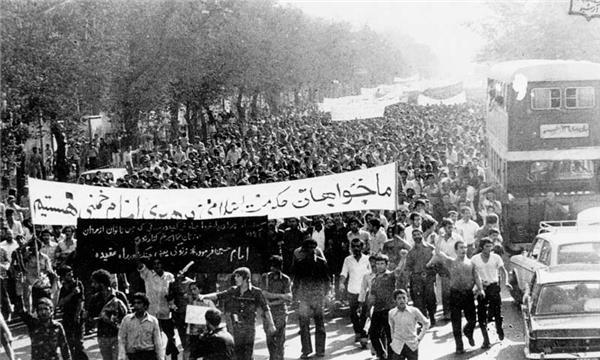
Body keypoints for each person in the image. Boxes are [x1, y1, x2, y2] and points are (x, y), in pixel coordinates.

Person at [199, 267, 276, 360]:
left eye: (238, 276)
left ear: (246, 278)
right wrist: (203, 296)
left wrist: (271, 324)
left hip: (249, 329)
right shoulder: (233, 290)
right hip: (236, 329)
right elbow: (219, 295)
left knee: (248, 355)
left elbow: (266, 309)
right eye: (235, 276)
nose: (235, 278)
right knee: (237, 354)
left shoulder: (256, 292)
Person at [427, 241, 486, 354]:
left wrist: (481, 289)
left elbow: (477, 277)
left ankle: (468, 331)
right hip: (455, 294)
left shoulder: (471, 263)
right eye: (460, 248)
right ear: (456, 250)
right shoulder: (450, 262)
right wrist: (440, 237)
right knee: (456, 321)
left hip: (468, 294)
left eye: (464, 247)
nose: (463, 250)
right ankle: (459, 346)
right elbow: (438, 252)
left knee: (472, 319)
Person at [291, 238, 330, 359]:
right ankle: (306, 350)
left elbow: (327, 280)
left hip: (317, 297)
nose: (310, 251)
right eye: (308, 249)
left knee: (319, 324)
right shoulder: (300, 263)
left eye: (312, 248)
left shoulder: (322, 262)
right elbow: (296, 281)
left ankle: (320, 350)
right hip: (305, 297)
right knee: (304, 325)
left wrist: (326, 295)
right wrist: (295, 297)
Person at [471, 238, 512, 346]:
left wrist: (506, 282)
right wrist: (477, 285)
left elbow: (504, 271)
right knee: (481, 314)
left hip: (494, 287)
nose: (489, 249)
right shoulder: (475, 259)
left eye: (490, 246)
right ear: (481, 247)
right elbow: (472, 274)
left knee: (497, 312)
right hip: (482, 288)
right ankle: (486, 339)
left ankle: (499, 329)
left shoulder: (496, 257)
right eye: (486, 246)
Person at [137, 258, 177, 360]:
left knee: (171, 338)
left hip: (165, 312)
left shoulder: (169, 276)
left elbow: (172, 291)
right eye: (154, 264)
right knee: (155, 339)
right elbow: (140, 266)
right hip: (152, 313)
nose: (157, 266)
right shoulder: (148, 275)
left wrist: (171, 299)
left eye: (159, 263)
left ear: (163, 265)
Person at [88, 269, 129, 360]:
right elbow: (90, 317)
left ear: (102, 283)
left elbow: (128, 316)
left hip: (118, 336)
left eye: (95, 283)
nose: (93, 285)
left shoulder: (119, 296)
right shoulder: (95, 299)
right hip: (103, 337)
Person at [339, 238, 371, 344]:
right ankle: (357, 331)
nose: (356, 248)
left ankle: (363, 335)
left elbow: (371, 273)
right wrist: (341, 283)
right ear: (351, 248)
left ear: (362, 247)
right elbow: (344, 273)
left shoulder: (367, 259)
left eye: (358, 246)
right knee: (353, 313)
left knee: (364, 314)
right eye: (353, 246)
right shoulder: (347, 259)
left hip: (364, 290)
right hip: (352, 289)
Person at [367, 254, 398, 360]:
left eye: (382, 264)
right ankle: (381, 355)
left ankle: (390, 357)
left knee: (390, 336)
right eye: (377, 264)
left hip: (389, 309)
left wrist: (403, 258)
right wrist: (368, 308)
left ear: (386, 264)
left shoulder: (390, 276)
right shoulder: (374, 279)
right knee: (373, 334)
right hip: (377, 309)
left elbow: (400, 271)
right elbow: (372, 296)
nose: (379, 266)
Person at [261, 255, 292, 360]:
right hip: (268, 313)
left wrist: (273, 299)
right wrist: (281, 296)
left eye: (277, 267)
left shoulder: (285, 279)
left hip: (281, 312)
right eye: (273, 267)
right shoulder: (265, 278)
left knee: (280, 341)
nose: (274, 269)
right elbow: (264, 294)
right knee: (270, 339)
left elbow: (289, 297)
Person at [404, 228, 436, 326]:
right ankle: (424, 320)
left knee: (430, 298)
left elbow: (436, 262)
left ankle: (432, 317)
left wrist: (433, 273)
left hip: (428, 276)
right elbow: (408, 267)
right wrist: (407, 280)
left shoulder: (430, 248)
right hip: (416, 278)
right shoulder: (410, 252)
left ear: (422, 235)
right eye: (414, 235)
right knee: (418, 300)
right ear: (412, 237)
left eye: (418, 234)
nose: (417, 236)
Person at [118, 292, 163, 360]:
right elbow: (121, 339)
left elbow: (157, 342)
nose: (136, 305)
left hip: (148, 355)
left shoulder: (153, 321)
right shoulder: (127, 320)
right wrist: (122, 356)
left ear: (145, 305)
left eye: (139, 303)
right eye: (135, 303)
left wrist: (160, 358)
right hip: (132, 355)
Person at [388, 289, 430, 360]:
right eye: (399, 298)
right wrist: (393, 341)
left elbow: (426, 323)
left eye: (404, 298)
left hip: (411, 345)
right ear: (395, 300)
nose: (402, 300)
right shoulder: (392, 313)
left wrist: (419, 338)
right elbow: (392, 328)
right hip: (398, 346)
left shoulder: (414, 311)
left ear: (407, 299)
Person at [57, 266, 88, 360]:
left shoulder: (78, 284)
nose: (71, 276)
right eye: (68, 275)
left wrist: (78, 315)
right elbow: (60, 303)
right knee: (70, 343)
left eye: (71, 273)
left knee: (79, 344)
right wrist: (72, 294)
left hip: (77, 317)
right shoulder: (63, 289)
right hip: (67, 317)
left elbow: (81, 302)